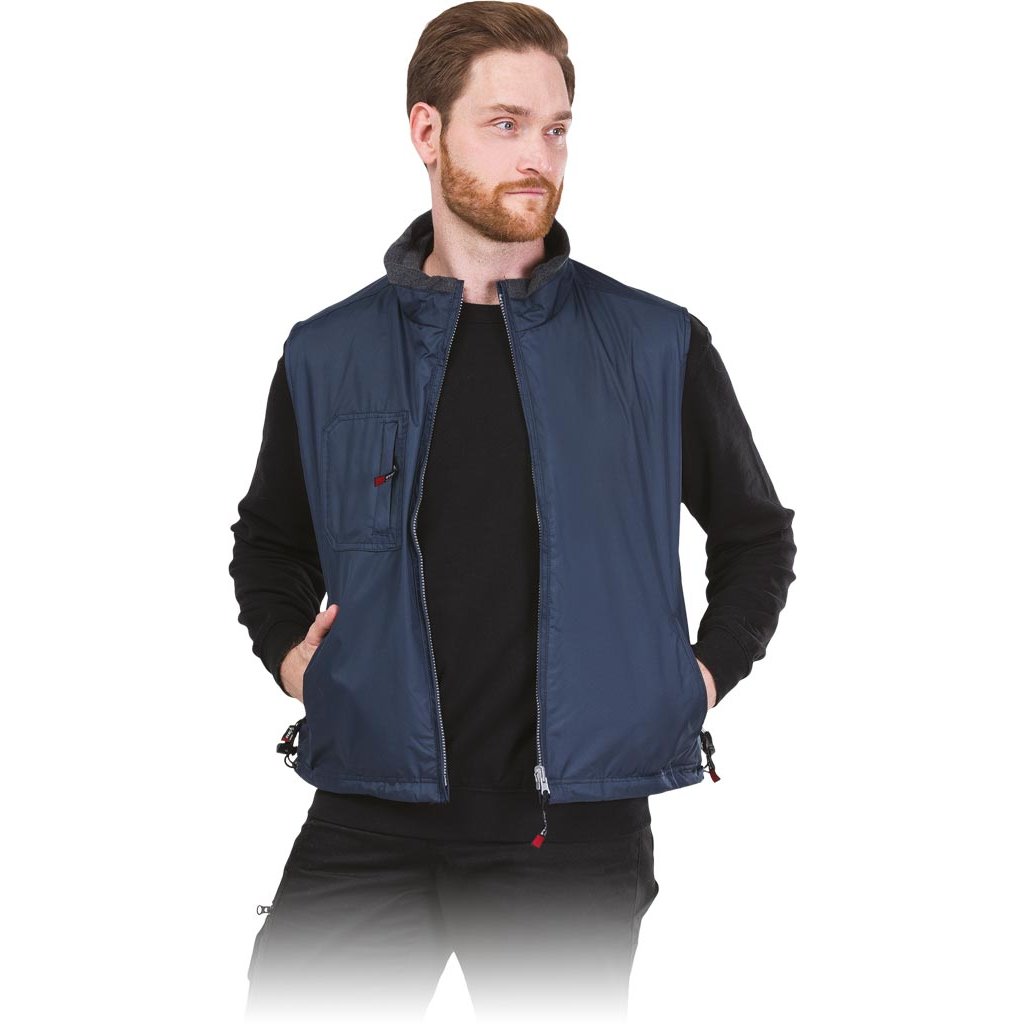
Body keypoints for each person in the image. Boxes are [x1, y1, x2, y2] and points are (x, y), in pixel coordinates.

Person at [228, 2, 797, 1020]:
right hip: (368, 812)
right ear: (426, 130)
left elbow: (754, 536)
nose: (539, 155)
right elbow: (271, 542)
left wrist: (695, 680)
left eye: (556, 127)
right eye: (505, 124)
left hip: (570, 834)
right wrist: (290, 659)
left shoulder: (655, 346)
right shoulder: (328, 352)